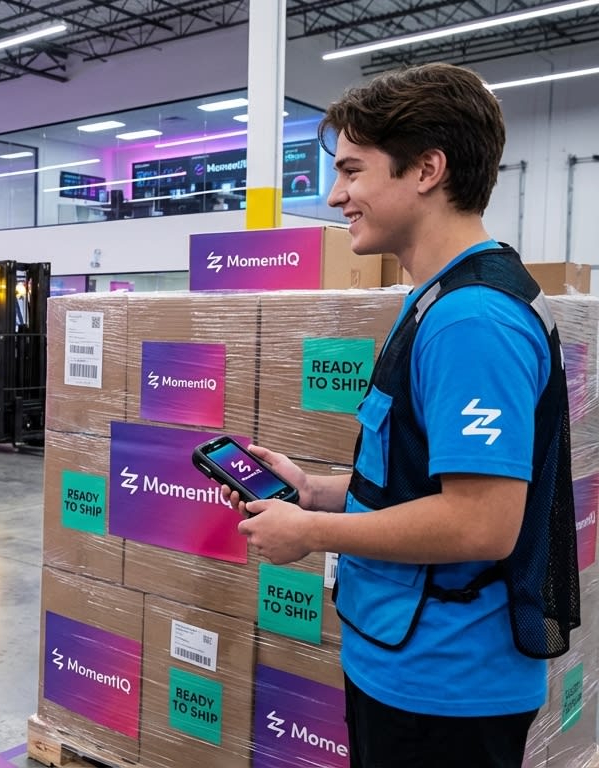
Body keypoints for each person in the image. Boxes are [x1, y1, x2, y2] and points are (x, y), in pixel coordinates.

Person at [231, 63, 577, 768]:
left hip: (444, 684)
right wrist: (314, 489)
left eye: (353, 171)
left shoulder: (472, 321)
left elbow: (482, 521)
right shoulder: (433, 302)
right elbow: (419, 479)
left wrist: (312, 531)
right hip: (407, 659)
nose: (336, 196)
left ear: (426, 169)